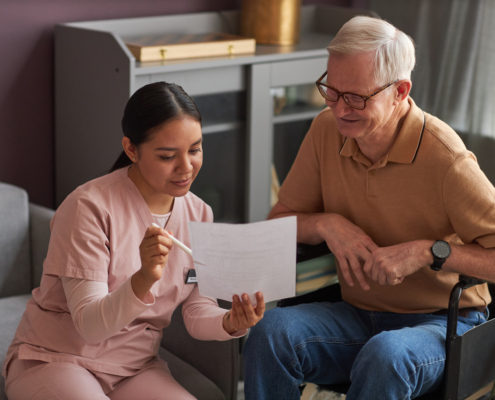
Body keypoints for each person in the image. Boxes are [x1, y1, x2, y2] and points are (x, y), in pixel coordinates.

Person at [243, 16, 495, 400]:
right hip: (357, 314)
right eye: (332, 90)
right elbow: (281, 221)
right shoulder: (325, 130)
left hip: (444, 324)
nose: (340, 108)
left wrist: (428, 251)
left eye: (357, 97)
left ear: (400, 91)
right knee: (271, 332)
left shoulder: (446, 159)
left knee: (386, 355)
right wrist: (327, 224)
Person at [2, 82, 265, 400]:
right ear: (131, 149)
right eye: (168, 156)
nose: (186, 167)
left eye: (195, 149)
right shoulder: (89, 206)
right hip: (56, 359)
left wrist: (229, 321)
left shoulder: (199, 213)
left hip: (135, 368)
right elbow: (90, 325)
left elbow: (196, 311)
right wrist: (143, 278)